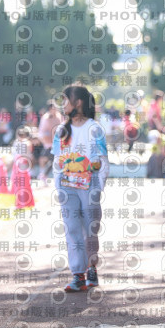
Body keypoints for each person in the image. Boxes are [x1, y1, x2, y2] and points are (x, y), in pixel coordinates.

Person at [51, 84, 109, 292]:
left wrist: (97, 185)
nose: (63, 105)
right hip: (67, 187)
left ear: (79, 103)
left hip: (89, 185)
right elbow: (56, 161)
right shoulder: (61, 130)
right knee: (72, 228)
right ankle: (78, 275)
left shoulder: (94, 128)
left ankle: (91, 267)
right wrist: (59, 183)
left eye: (66, 100)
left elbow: (102, 160)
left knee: (90, 228)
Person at [37, 102, 63, 186]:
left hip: (58, 142)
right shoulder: (45, 118)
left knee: (54, 160)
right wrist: (46, 139)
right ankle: (43, 174)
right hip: (48, 143)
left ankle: (44, 175)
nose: (55, 110)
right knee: (48, 159)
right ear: (50, 109)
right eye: (53, 108)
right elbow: (41, 131)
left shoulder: (59, 116)